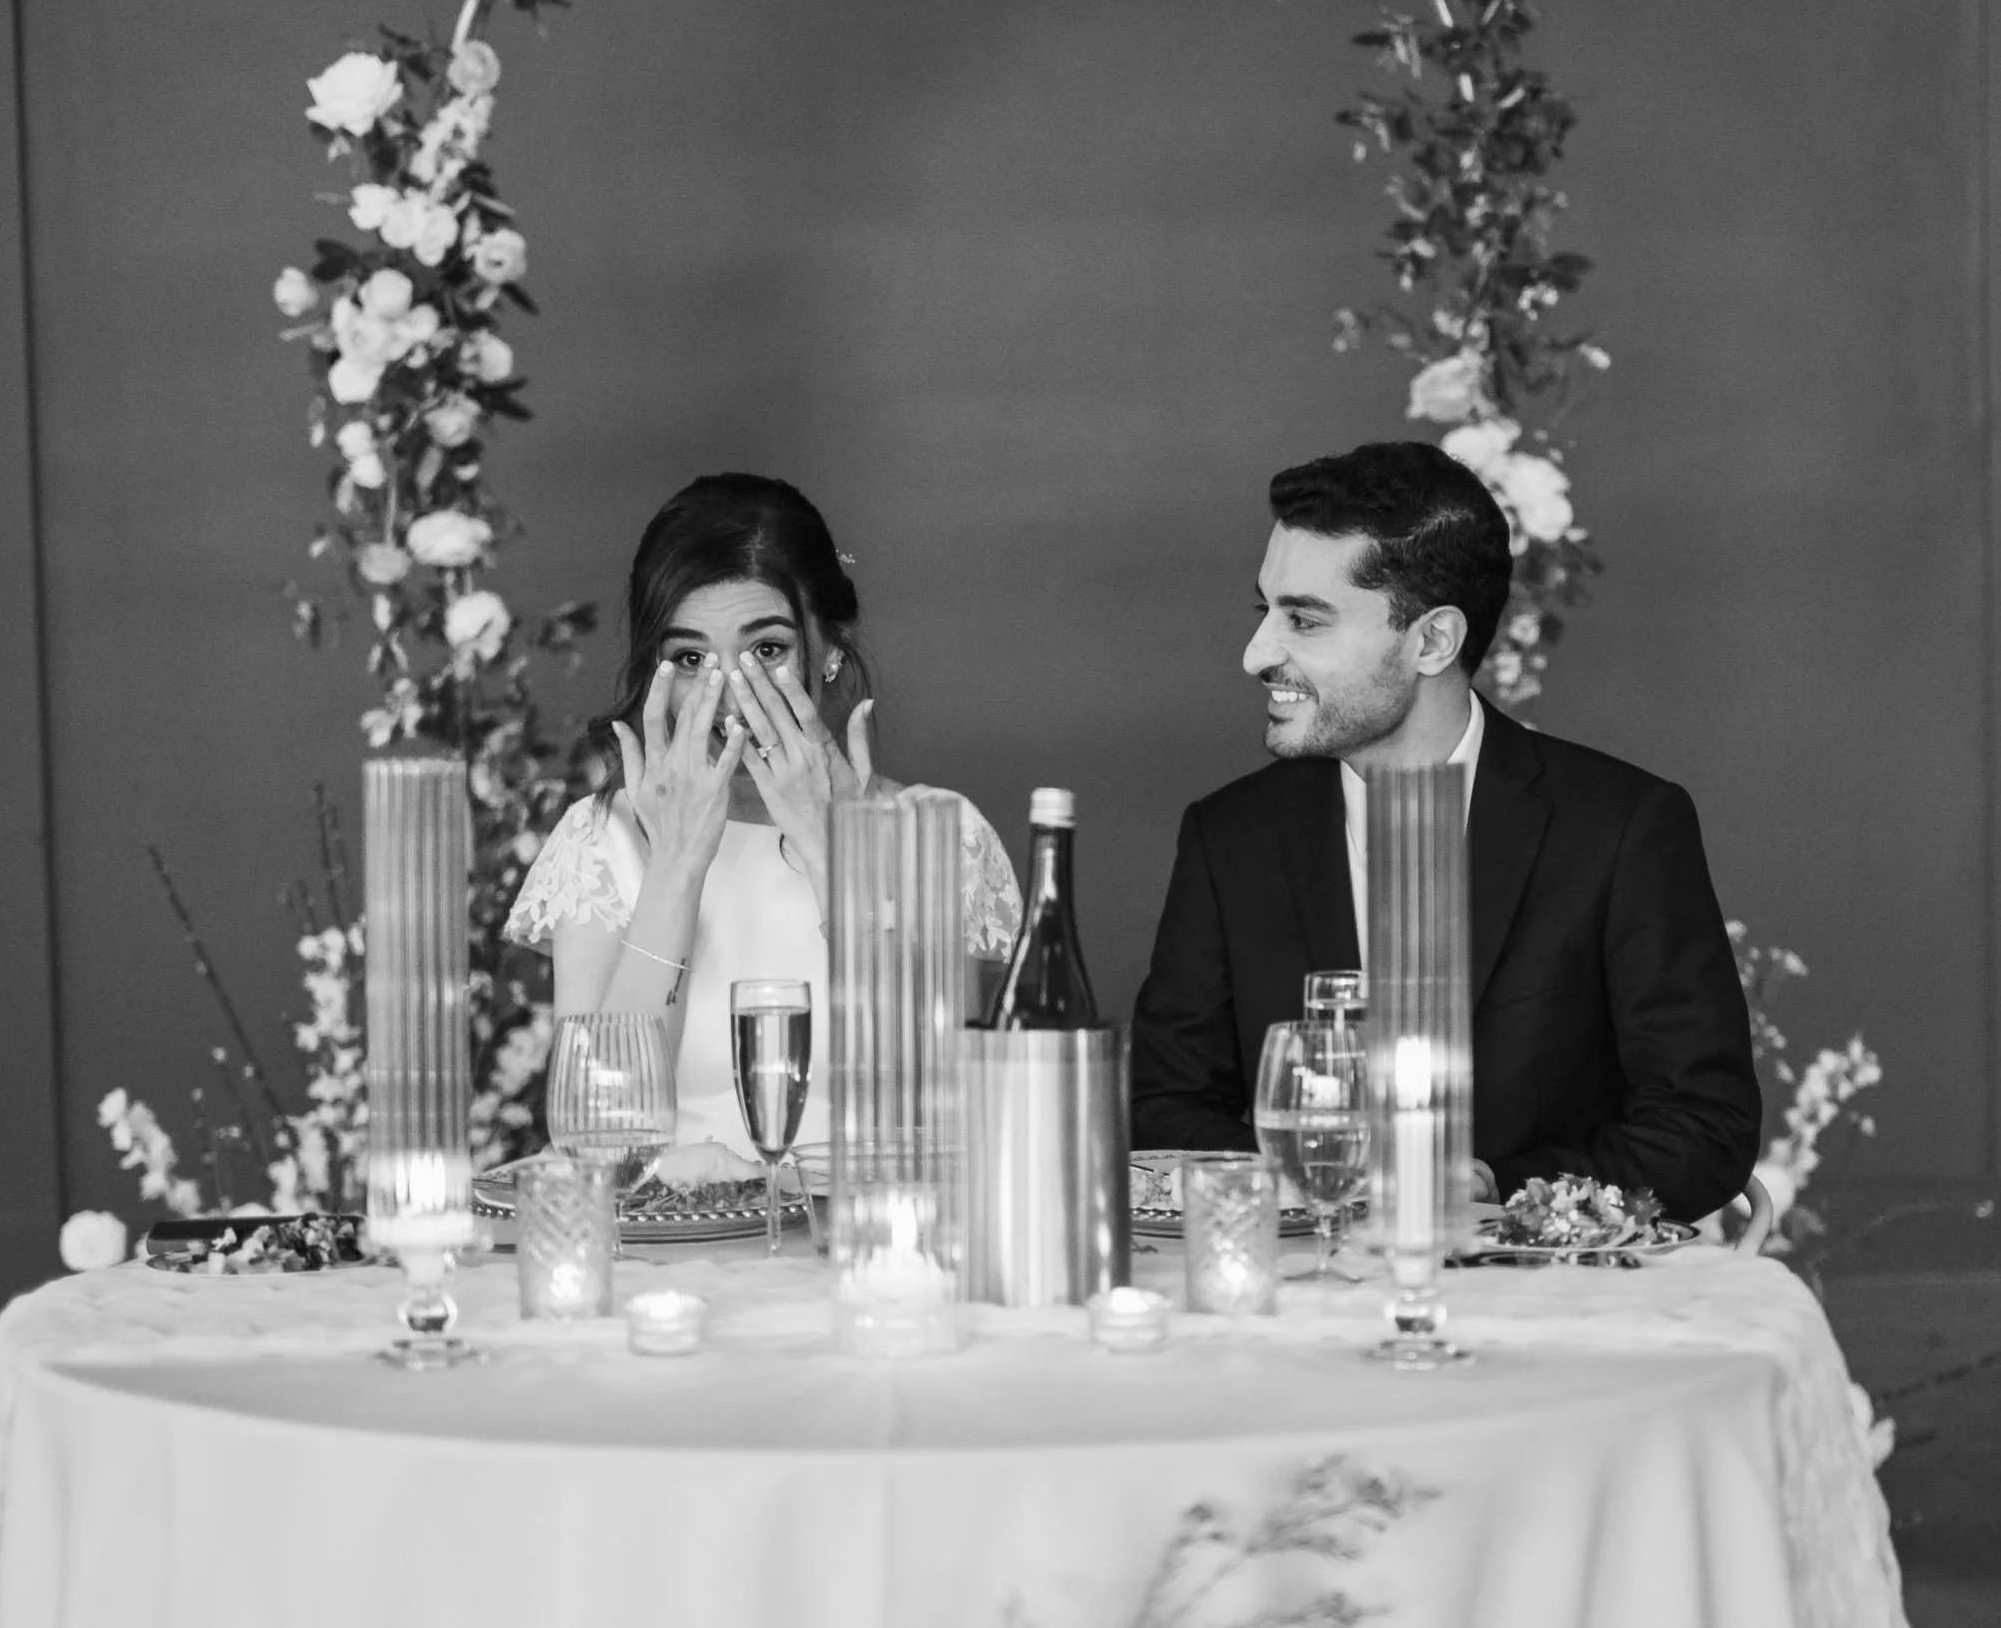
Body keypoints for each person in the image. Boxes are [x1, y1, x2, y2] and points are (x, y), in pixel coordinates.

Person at [1128, 441, 1760, 1220]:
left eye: (1305, 620)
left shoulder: (1621, 827)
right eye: (1267, 612)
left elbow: (1703, 1128)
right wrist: (1314, 1188)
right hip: (1304, 1302)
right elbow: (1163, 1109)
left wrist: (1501, 1185)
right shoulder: (1230, 837)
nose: (1258, 653)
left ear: (1432, 641)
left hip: (1551, 1314)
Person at [507, 473, 1021, 1160]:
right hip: (668, 1252)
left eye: (767, 650)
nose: (728, 694)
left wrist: (832, 852)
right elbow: (594, 1141)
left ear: (829, 647)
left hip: (865, 1245)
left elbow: (936, 1122)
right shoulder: (601, 838)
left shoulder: (941, 834)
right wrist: (677, 864)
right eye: (690, 659)